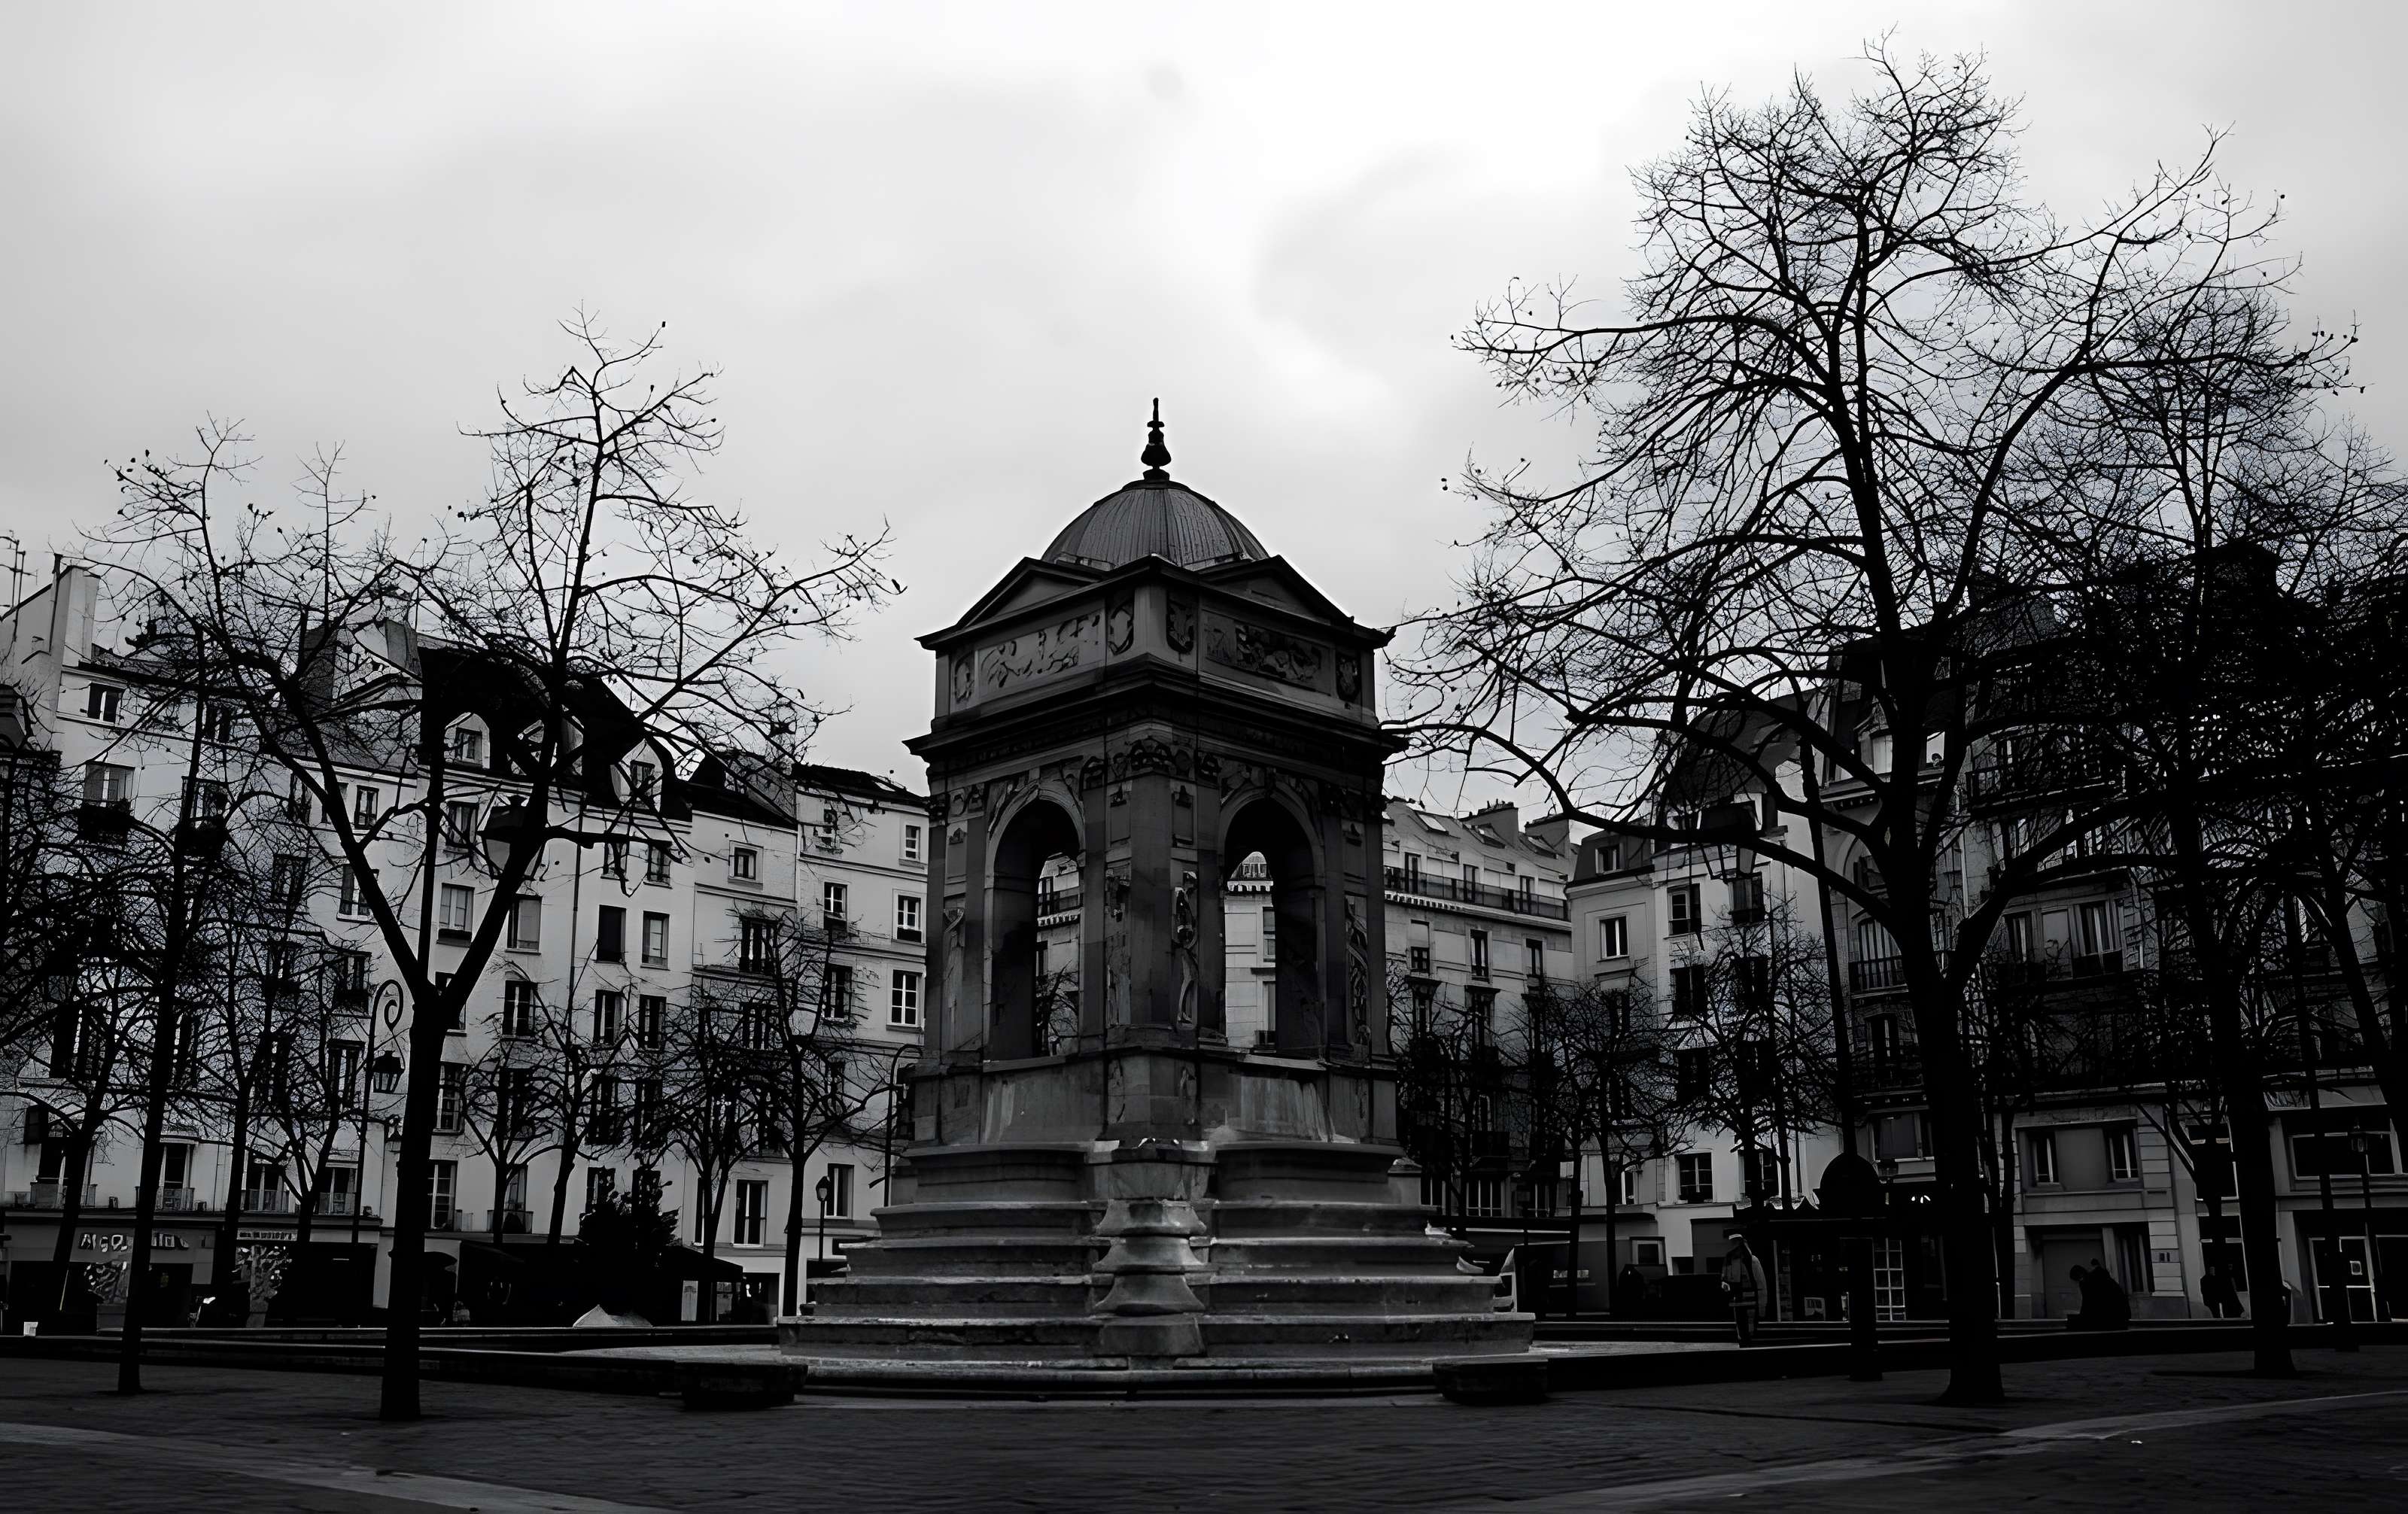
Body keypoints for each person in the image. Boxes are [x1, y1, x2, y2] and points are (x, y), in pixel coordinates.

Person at [1720, 1231, 1769, 1345]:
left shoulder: (1752, 1260)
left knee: (1748, 1328)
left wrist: (1762, 1304)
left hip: (1749, 1299)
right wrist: (1725, 1284)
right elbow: (1725, 1278)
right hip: (1739, 1300)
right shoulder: (1730, 1261)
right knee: (1742, 1327)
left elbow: (1760, 1284)